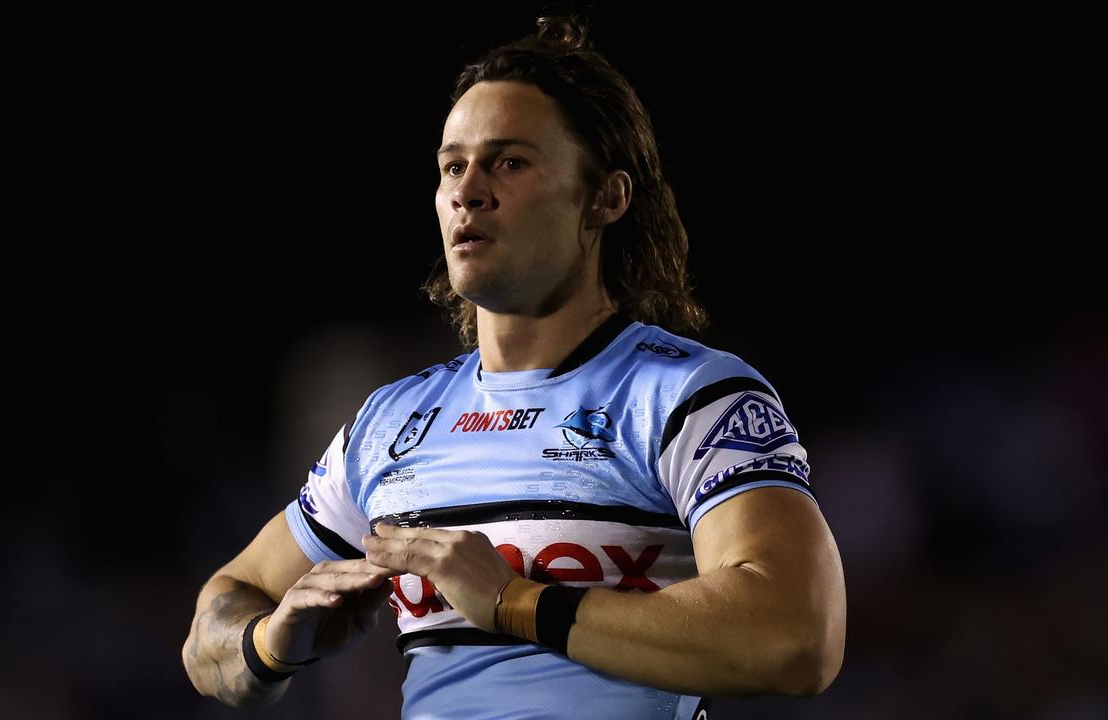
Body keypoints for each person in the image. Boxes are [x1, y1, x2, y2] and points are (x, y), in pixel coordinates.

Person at [183, 15, 846, 718]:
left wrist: (514, 602)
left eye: (509, 162)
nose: (467, 191)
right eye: (451, 166)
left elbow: (795, 636)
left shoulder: (689, 395)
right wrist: (270, 642)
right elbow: (213, 629)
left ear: (606, 197)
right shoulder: (391, 424)